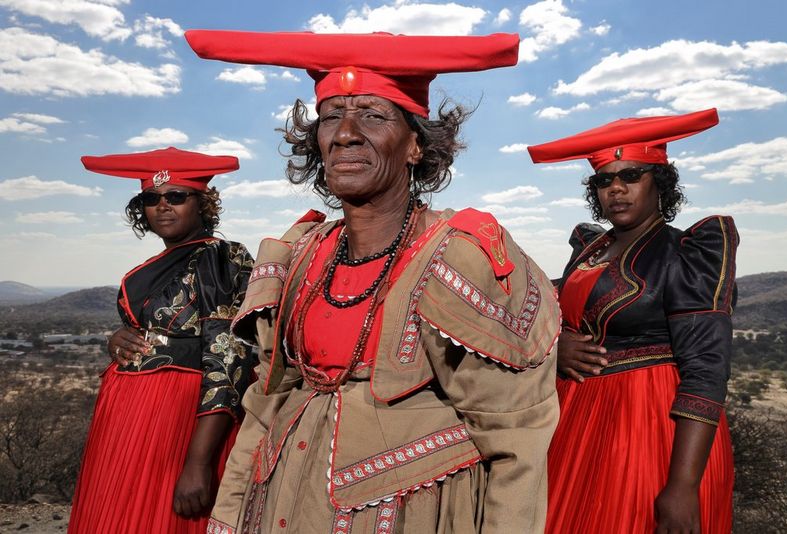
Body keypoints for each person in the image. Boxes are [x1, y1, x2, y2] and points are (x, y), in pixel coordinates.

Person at [184, 31, 560, 533]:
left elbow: (518, 437)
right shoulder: (302, 253)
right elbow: (266, 401)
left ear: (414, 145)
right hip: (285, 499)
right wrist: (227, 518)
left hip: (412, 509)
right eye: (332, 116)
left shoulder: (459, 254)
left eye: (374, 115)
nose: (345, 133)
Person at [528, 108, 737, 533]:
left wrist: (682, 486)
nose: (617, 189)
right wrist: (555, 346)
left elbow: (705, 372)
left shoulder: (686, 254)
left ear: (659, 183)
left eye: (632, 176)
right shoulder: (590, 248)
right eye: (605, 180)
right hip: (575, 420)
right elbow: (549, 316)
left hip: (649, 430)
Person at [69, 147, 256, 533]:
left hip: (179, 420)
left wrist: (198, 463)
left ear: (203, 203)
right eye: (151, 199)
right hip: (128, 420)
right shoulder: (157, 265)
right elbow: (155, 327)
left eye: (176, 196)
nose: (163, 206)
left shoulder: (220, 259)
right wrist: (116, 339)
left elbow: (229, 359)